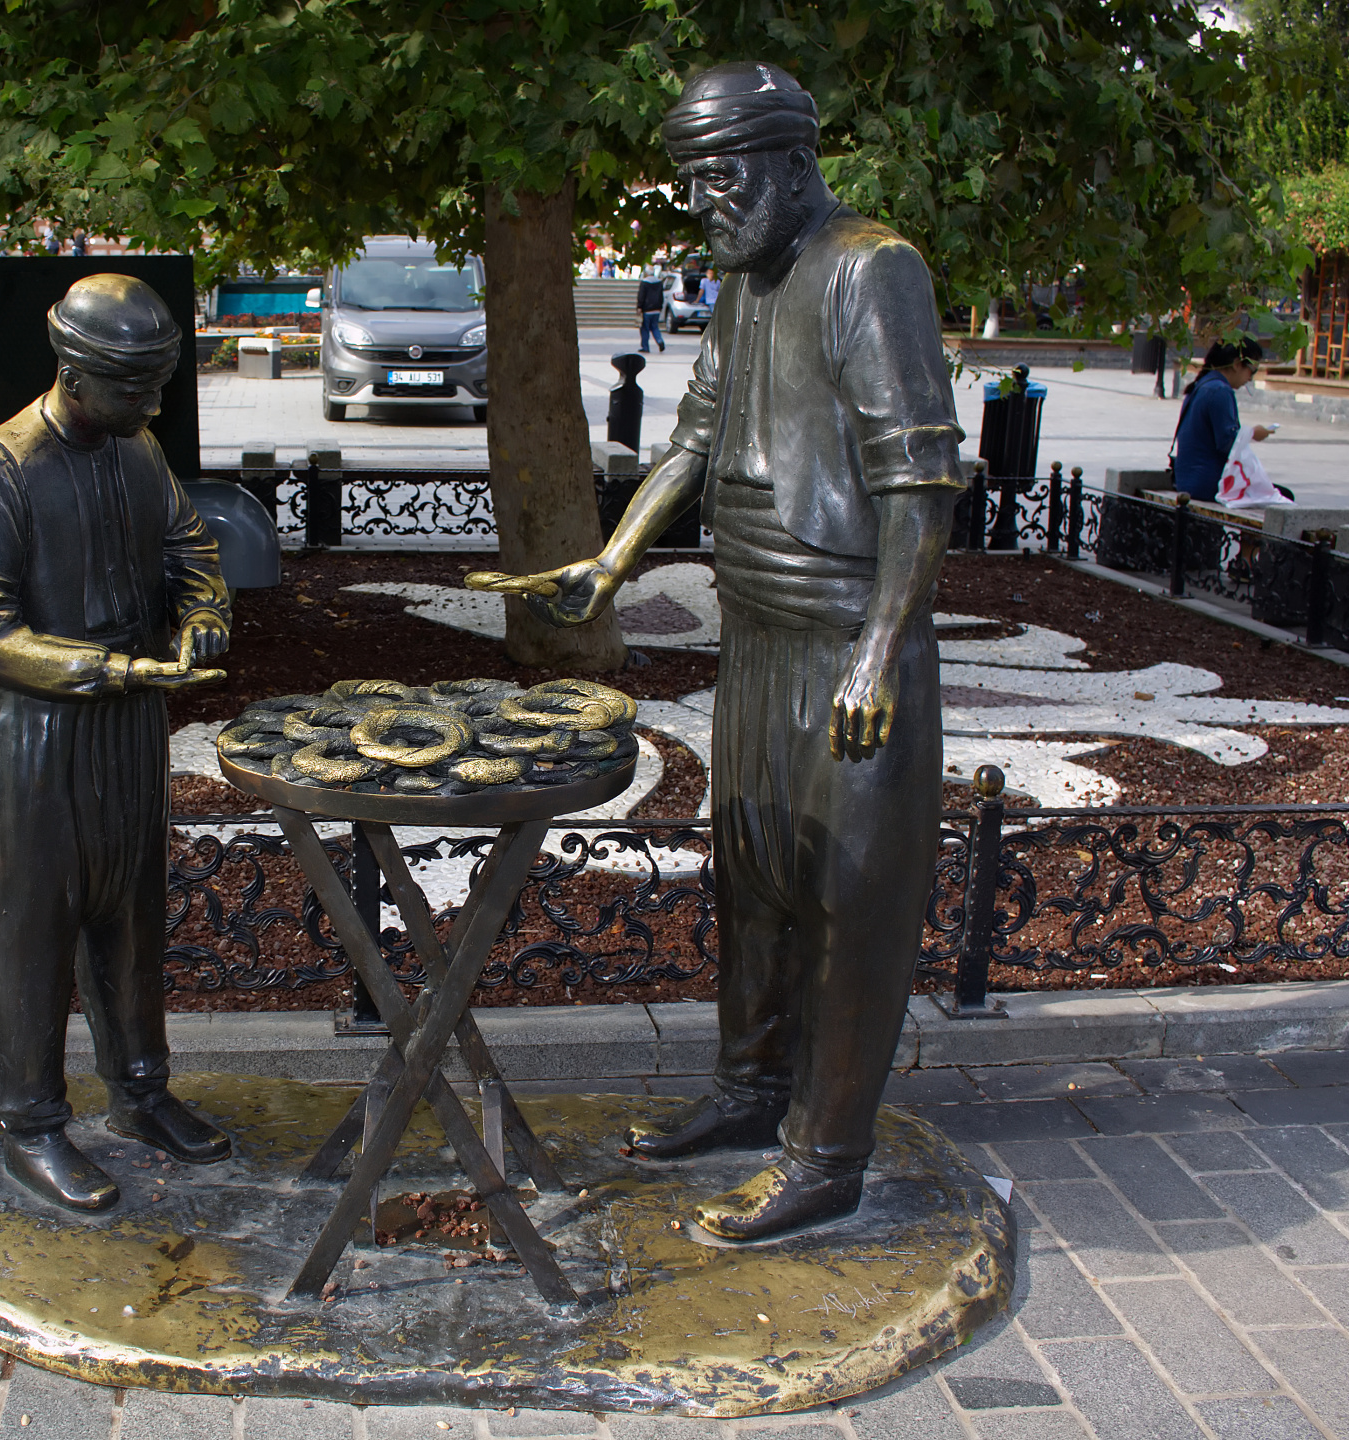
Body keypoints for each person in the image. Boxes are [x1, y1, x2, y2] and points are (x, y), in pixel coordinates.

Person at [517, 61, 964, 1242]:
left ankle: (828, 1154)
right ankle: (750, 1091)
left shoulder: (873, 268)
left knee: (849, 903)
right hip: (759, 637)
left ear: (788, 162)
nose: (705, 204)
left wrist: (882, 647)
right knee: (756, 882)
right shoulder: (740, 286)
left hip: (850, 653)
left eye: (721, 180)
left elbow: (921, 481)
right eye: (693, 184)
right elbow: (693, 443)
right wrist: (611, 562)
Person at [0, 274, 234, 1211]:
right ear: (76, 372)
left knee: (132, 916)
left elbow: (190, 550)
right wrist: (105, 671)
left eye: (158, 388)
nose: (153, 407)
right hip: (42, 736)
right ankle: (31, 1121)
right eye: (135, 390)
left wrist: (201, 618)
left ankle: (141, 1091)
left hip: (130, 729)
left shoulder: (138, 449)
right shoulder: (1, 465)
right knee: (33, 930)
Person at [1172, 337, 1273, 501]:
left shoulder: (1203, 385)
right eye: (1251, 371)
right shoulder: (1219, 391)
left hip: (1187, 480)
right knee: (1279, 496)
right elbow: (1227, 443)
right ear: (1236, 364)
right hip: (1207, 484)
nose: (1250, 379)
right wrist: (1253, 433)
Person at [636, 267, 667, 352]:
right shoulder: (659, 282)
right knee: (655, 327)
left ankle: (645, 347)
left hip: (647, 309)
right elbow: (661, 296)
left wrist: (639, 307)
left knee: (645, 329)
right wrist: (660, 306)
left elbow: (641, 296)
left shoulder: (644, 283)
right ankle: (659, 340)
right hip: (656, 309)